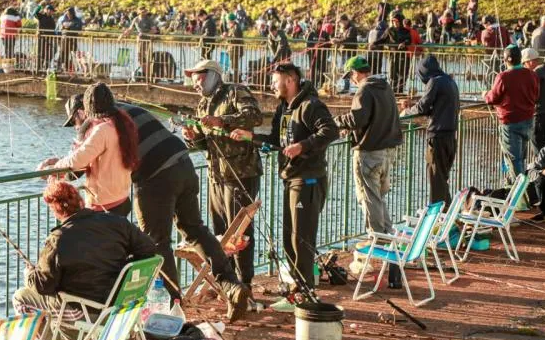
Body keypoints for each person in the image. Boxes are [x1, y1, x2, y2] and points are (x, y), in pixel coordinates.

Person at [61, 94, 248, 320]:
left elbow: (79, 163)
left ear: (82, 112)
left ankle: (172, 307)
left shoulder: (98, 123)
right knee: (195, 229)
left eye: (74, 121)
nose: (76, 127)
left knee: (156, 242)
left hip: (155, 176)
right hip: (182, 161)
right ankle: (232, 286)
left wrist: (55, 169)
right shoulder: (123, 109)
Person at [12, 181, 157, 317]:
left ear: (55, 210)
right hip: (117, 306)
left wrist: (29, 274)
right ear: (80, 201)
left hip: (83, 312)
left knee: (20, 297)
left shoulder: (58, 238)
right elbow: (149, 248)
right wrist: (124, 267)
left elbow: (44, 286)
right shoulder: (117, 222)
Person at [257, 64, 339, 292]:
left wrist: (302, 146)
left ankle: (305, 291)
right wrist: (250, 137)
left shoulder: (310, 105)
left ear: (290, 81)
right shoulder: (283, 108)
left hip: (309, 179)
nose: (271, 86)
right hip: (291, 178)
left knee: (301, 240)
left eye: (275, 82)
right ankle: (298, 288)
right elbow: (276, 140)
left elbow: (330, 131)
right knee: (288, 239)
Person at [182, 59, 264, 291]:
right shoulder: (202, 105)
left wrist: (222, 121)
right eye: (193, 81)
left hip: (241, 173)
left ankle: (244, 281)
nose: (195, 85)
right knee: (219, 234)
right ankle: (228, 282)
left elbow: (255, 116)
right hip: (215, 176)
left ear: (212, 75)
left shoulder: (235, 92)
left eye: (198, 79)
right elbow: (203, 143)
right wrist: (191, 136)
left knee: (239, 232)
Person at [336, 56, 404, 287]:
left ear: (356, 73)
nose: (352, 81)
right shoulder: (385, 87)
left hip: (370, 153)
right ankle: (387, 233)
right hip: (388, 152)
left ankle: (377, 241)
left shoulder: (365, 90)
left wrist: (336, 122)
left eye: (351, 76)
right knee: (378, 196)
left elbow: (358, 117)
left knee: (369, 197)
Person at [40, 82, 138, 215]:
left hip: (103, 206)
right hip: (122, 200)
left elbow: (77, 161)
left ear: (89, 108)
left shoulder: (102, 130)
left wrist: (53, 169)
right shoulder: (123, 124)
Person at [401, 56, 460, 206]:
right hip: (451, 136)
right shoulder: (449, 81)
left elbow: (422, 107)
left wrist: (406, 112)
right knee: (442, 178)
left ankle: (438, 220)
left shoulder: (435, 81)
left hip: (437, 137)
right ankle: (448, 216)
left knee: (436, 179)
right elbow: (435, 107)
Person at [484, 46, 540, 180]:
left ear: (505, 60)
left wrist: (485, 94)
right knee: (521, 157)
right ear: (521, 59)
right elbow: (536, 95)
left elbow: (493, 98)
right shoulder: (532, 74)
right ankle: (516, 186)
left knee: (514, 160)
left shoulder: (503, 76)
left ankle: (519, 193)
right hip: (528, 120)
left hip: (510, 123)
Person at [522, 48, 545, 151]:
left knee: (540, 152)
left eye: (524, 64)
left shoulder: (536, 73)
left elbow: (530, 95)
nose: (524, 67)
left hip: (540, 117)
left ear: (530, 62)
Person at [123, 7, 157, 80]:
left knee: (147, 58)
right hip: (140, 40)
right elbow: (130, 28)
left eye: (144, 11)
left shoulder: (149, 19)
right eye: (142, 11)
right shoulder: (136, 19)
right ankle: (145, 74)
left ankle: (148, 75)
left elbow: (154, 30)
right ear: (138, 12)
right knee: (140, 57)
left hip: (148, 40)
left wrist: (145, 33)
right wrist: (124, 34)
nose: (143, 13)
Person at [58, 6, 83, 72]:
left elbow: (79, 28)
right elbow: (61, 27)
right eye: (67, 14)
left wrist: (69, 27)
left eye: (70, 14)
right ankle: (62, 67)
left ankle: (75, 68)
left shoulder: (77, 20)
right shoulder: (65, 19)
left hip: (72, 40)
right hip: (64, 39)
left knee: (73, 55)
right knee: (62, 53)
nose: (68, 15)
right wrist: (66, 27)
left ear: (73, 14)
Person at [35, 2, 57, 71]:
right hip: (41, 37)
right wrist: (40, 5)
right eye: (51, 11)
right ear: (47, 10)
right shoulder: (41, 16)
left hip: (49, 38)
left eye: (52, 11)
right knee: (40, 52)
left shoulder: (52, 19)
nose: (52, 12)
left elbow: (53, 29)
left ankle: (46, 67)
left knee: (50, 53)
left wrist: (55, 37)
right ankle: (39, 68)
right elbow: (34, 13)